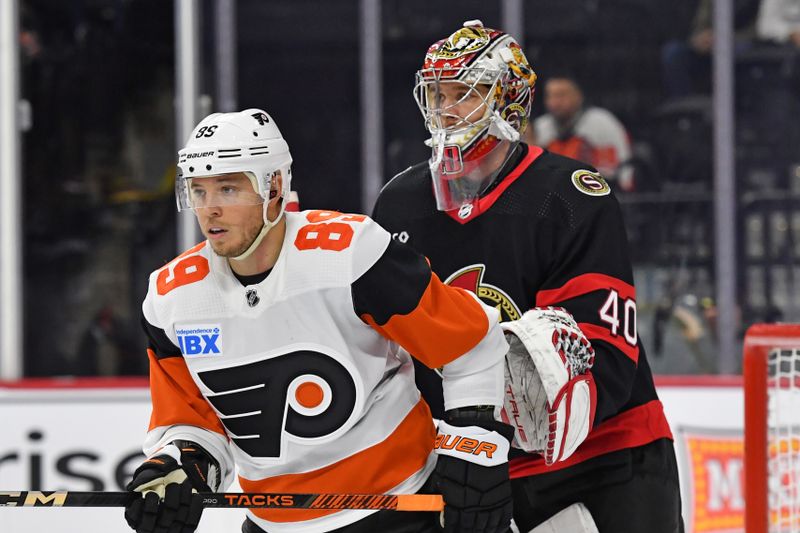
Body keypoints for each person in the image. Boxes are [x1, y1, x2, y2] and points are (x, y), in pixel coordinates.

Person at [123, 108, 517, 533]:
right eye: (198, 191)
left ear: (273, 186)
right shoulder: (171, 298)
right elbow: (193, 422)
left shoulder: (352, 255)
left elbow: (469, 345)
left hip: (399, 510)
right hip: (272, 523)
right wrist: (180, 465)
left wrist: (476, 452)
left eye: (228, 188)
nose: (210, 209)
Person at [372, 20, 683, 533]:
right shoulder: (399, 205)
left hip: (606, 454)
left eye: (464, 95)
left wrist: (490, 426)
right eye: (436, 95)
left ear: (508, 102)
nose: (445, 111)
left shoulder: (571, 195)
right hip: (481, 463)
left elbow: (603, 352)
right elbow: (389, 351)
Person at [531, 75, 635, 192]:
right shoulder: (538, 128)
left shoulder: (603, 123)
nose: (554, 102)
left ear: (578, 96)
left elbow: (623, 172)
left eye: (561, 95)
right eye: (550, 96)